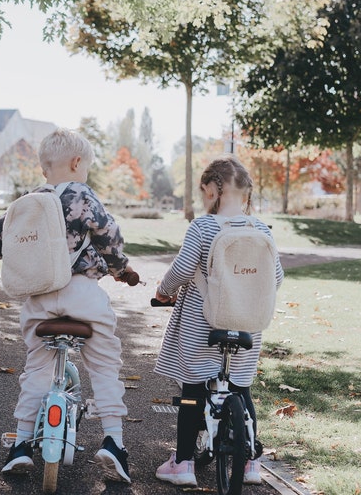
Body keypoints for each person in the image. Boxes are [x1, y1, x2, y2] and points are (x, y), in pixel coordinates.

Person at [0, 128, 135, 484]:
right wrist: (120, 268)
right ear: (77, 162)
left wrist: (24, 255)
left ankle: (20, 444)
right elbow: (108, 237)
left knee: (36, 368)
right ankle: (113, 440)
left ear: (43, 167)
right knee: (104, 362)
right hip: (81, 292)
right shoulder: (82, 195)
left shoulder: (28, 202)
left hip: (37, 298)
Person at [153, 155, 284, 487]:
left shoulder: (202, 226)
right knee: (241, 386)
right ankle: (251, 463)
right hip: (246, 325)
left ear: (211, 190)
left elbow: (183, 270)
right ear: (246, 194)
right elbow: (276, 278)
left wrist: (165, 289)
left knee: (192, 390)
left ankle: (183, 463)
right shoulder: (261, 230)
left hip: (202, 325)